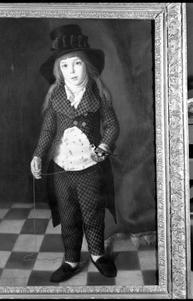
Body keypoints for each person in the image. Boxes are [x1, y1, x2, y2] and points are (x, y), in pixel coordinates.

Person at [31, 24, 120, 283]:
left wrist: (104, 146)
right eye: (66, 65)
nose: (72, 71)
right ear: (59, 70)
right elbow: (48, 131)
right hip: (61, 169)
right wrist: (37, 155)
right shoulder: (55, 96)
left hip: (90, 168)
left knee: (92, 213)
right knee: (68, 215)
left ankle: (97, 254)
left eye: (77, 64)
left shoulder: (99, 94)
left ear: (87, 66)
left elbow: (112, 125)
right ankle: (71, 259)